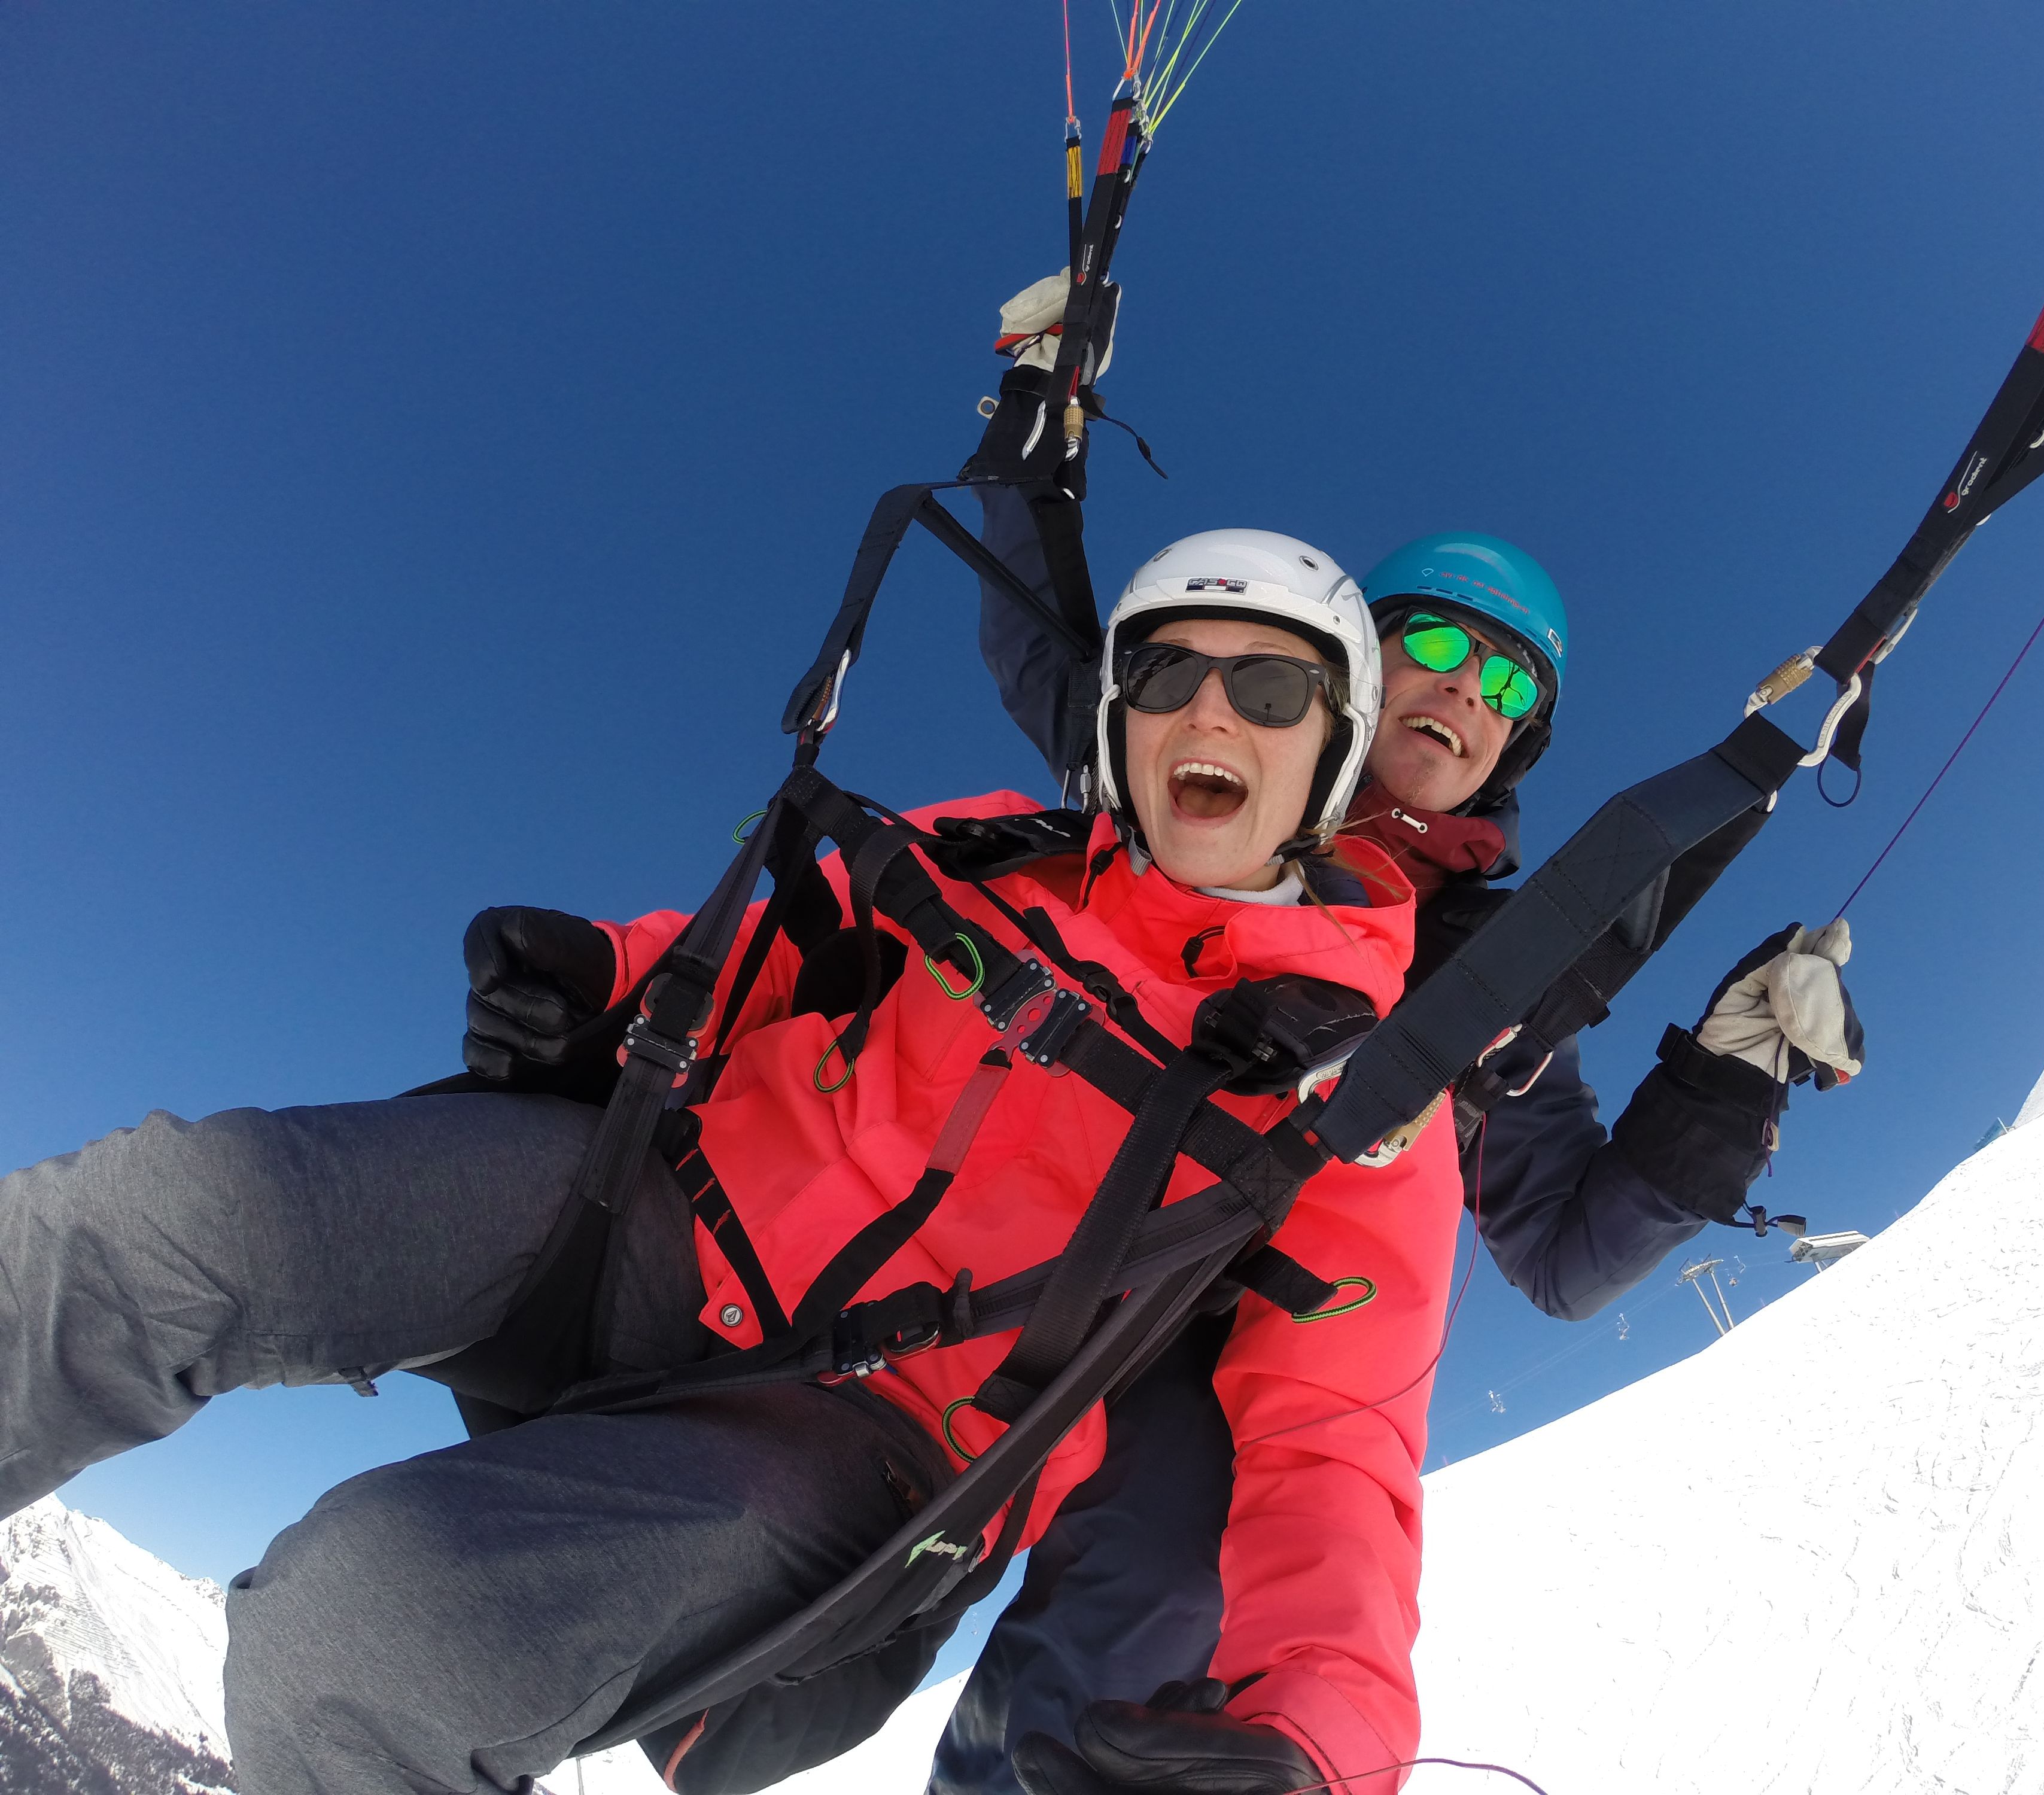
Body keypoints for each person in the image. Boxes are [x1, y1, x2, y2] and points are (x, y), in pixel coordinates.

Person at [0, 531, 1474, 1795]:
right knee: (176, 1216)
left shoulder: (1359, 1088)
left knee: (362, 1634)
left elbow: (1336, 1444)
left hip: (877, 1436)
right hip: (648, 1212)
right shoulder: (999, 854)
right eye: (1163, 672)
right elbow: (773, 953)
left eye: (1267, 686)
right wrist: (605, 974)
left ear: (1330, 746)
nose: (1206, 710)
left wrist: (1317, 1735)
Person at [936, 282, 1866, 1795]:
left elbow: (1563, 1260)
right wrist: (1027, 417)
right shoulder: (1191, 763)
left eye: (1508, 692)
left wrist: (1725, 1075)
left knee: (1177, 1566)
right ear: (1352, 659)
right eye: (1437, 649)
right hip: (980, 1222)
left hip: (1221, 1357)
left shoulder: (1484, 992)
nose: (1466, 697)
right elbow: (1039, 635)